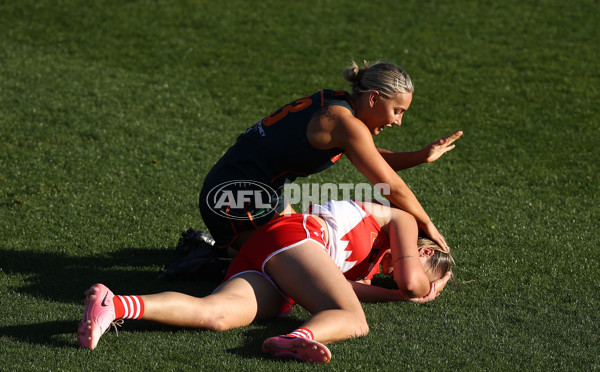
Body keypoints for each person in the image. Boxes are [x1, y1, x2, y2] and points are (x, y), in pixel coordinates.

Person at [161, 60, 462, 279]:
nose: (398, 121)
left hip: (252, 189)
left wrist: (420, 156)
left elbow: (368, 156)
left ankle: (216, 247)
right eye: (398, 111)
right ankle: (203, 260)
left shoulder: (338, 105)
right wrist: (428, 223)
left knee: (310, 249)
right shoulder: (346, 124)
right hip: (237, 196)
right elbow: (391, 186)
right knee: (292, 270)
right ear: (373, 98)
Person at [80, 200, 454, 363]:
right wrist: (421, 294)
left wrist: (384, 292)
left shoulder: (369, 270)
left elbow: (327, 286)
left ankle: (114, 304)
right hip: (297, 238)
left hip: (280, 265)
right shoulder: (399, 219)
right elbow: (409, 284)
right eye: (430, 272)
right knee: (354, 320)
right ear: (423, 255)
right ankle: (297, 339)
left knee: (217, 315)